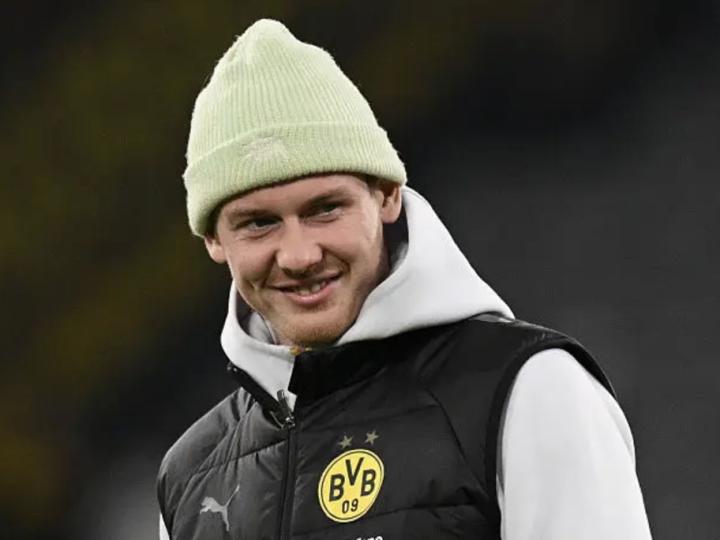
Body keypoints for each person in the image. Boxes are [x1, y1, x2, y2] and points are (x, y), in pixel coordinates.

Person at [157, 19, 652, 540]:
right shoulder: (189, 475)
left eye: (325, 209)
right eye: (259, 223)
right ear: (213, 239)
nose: (300, 255)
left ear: (388, 194)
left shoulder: (530, 390)